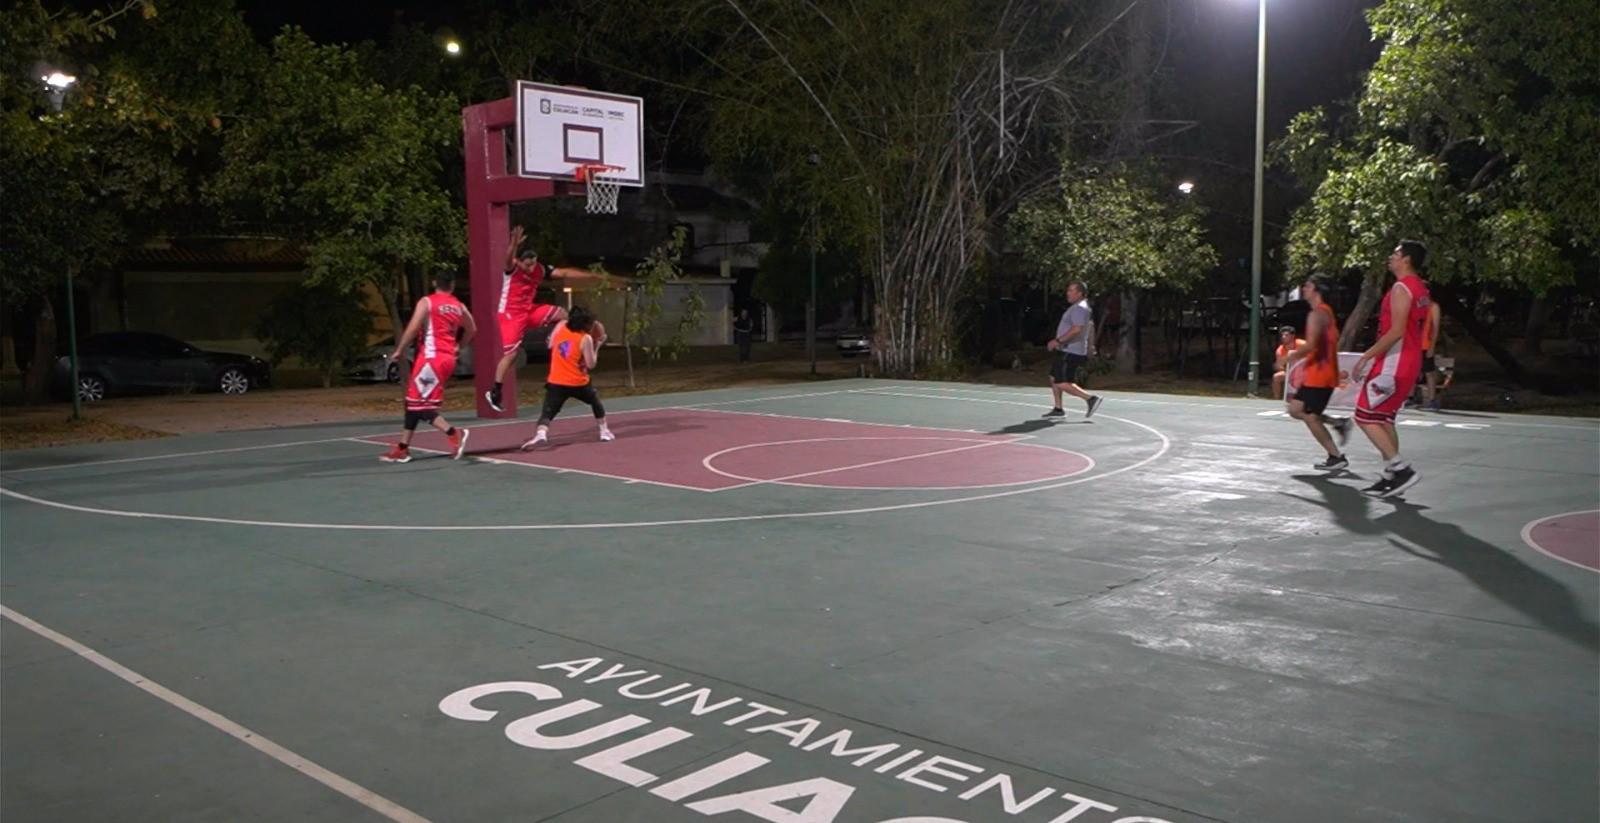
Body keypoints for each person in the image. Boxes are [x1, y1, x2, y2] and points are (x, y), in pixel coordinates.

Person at [486, 225, 610, 412]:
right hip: (510, 314)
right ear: (520, 261)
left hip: (529, 310)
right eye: (527, 265)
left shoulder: (540, 270)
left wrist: (591, 275)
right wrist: (513, 244)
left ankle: (555, 338)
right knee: (511, 355)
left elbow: (565, 273)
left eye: (533, 264)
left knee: (562, 314)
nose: (530, 268)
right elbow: (508, 256)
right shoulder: (512, 267)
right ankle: (495, 392)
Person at [1351, 240, 1433, 498]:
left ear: (1406, 259)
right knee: (1385, 419)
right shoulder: (1420, 288)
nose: (1391, 257)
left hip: (1393, 361)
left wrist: (1365, 356)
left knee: (1364, 417)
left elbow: (1396, 332)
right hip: (1409, 361)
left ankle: (1400, 468)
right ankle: (1390, 476)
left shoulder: (1401, 288)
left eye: (1395, 253)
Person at [381, 271, 477, 463]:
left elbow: (413, 327)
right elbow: (472, 329)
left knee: (420, 406)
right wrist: (459, 345)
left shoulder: (427, 302)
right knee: (413, 402)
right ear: (452, 286)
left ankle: (453, 433)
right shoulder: (459, 306)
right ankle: (403, 447)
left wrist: (400, 349)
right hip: (446, 358)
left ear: (435, 283)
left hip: (431, 359)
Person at [1284, 275, 1352, 470]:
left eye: (1307, 285)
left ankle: (1336, 456)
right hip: (1319, 372)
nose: (1304, 288)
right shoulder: (1325, 313)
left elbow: (1311, 345)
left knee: (1310, 415)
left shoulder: (1317, 314)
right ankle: (1337, 423)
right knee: (1296, 410)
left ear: (1316, 289)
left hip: (1321, 375)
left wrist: (1289, 357)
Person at [520, 306, 612, 449]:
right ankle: (604, 431)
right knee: (595, 402)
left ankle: (541, 434)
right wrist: (598, 345)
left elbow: (550, 344)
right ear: (585, 324)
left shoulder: (561, 325)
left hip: (556, 380)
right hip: (577, 381)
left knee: (548, 412)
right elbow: (591, 364)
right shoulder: (585, 338)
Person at [1043, 280, 1104, 420]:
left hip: (1071, 350)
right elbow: (1090, 327)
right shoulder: (1080, 307)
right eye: (1068, 290)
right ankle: (1058, 409)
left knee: (1061, 381)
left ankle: (1091, 399)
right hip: (1067, 349)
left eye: (1071, 290)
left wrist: (1057, 341)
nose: (1068, 293)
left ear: (1080, 293)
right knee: (1053, 377)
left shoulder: (1080, 308)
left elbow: (1076, 329)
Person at [1420, 299, 1443, 411]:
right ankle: (1408, 398)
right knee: (1410, 372)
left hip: (1425, 344)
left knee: (1429, 373)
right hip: (1413, 344)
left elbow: (1435, 328)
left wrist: (1432, 347)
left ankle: (1432, 400)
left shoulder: (1433, 306)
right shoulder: (1414, 305)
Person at [1271, 326, 1305, 400]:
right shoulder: (1280, 350)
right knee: (1276, 377)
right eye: (1282, 335)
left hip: (1306, 371)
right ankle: (1276, 400)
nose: (1283, 337)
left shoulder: (1302, 344)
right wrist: (1279, 366)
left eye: (1286, 335)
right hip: (1290, 372)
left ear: (1293, 336)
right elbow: (1279, 366)